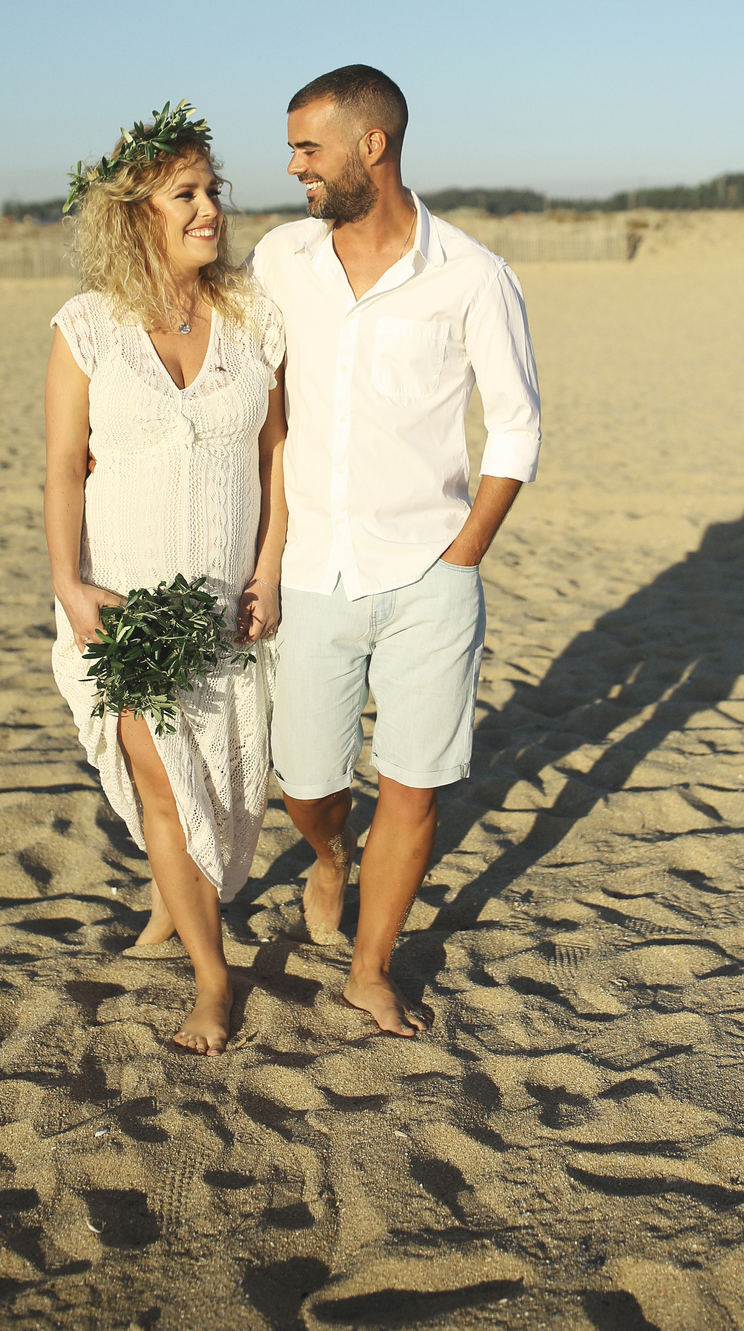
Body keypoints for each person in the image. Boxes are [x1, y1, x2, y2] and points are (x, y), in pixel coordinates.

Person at [251, 65, 540, 1036]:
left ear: (372, 145)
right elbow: (249, 392)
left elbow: (517, 429)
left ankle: (371, 968)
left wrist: (463, 554)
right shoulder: (282, 260)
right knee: (308, 786)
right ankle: (331, 859)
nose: (294, 167)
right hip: (314, 571)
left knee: (413, 787)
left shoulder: (472, 275)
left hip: (430, 574)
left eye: (308, 148)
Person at [44, 103, 287, 1056]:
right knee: (161, 782)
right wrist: (69, 583)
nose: (208, 208)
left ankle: (165, 909)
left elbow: (277, 458)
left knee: (221, 787)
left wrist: (266, 568)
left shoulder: (252, 317)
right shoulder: (87, 329)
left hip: (229, 601)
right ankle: (214, 977)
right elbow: (66, 465)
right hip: (126, 600)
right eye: (184, 193)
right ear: (134, 212)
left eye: (211, 190)